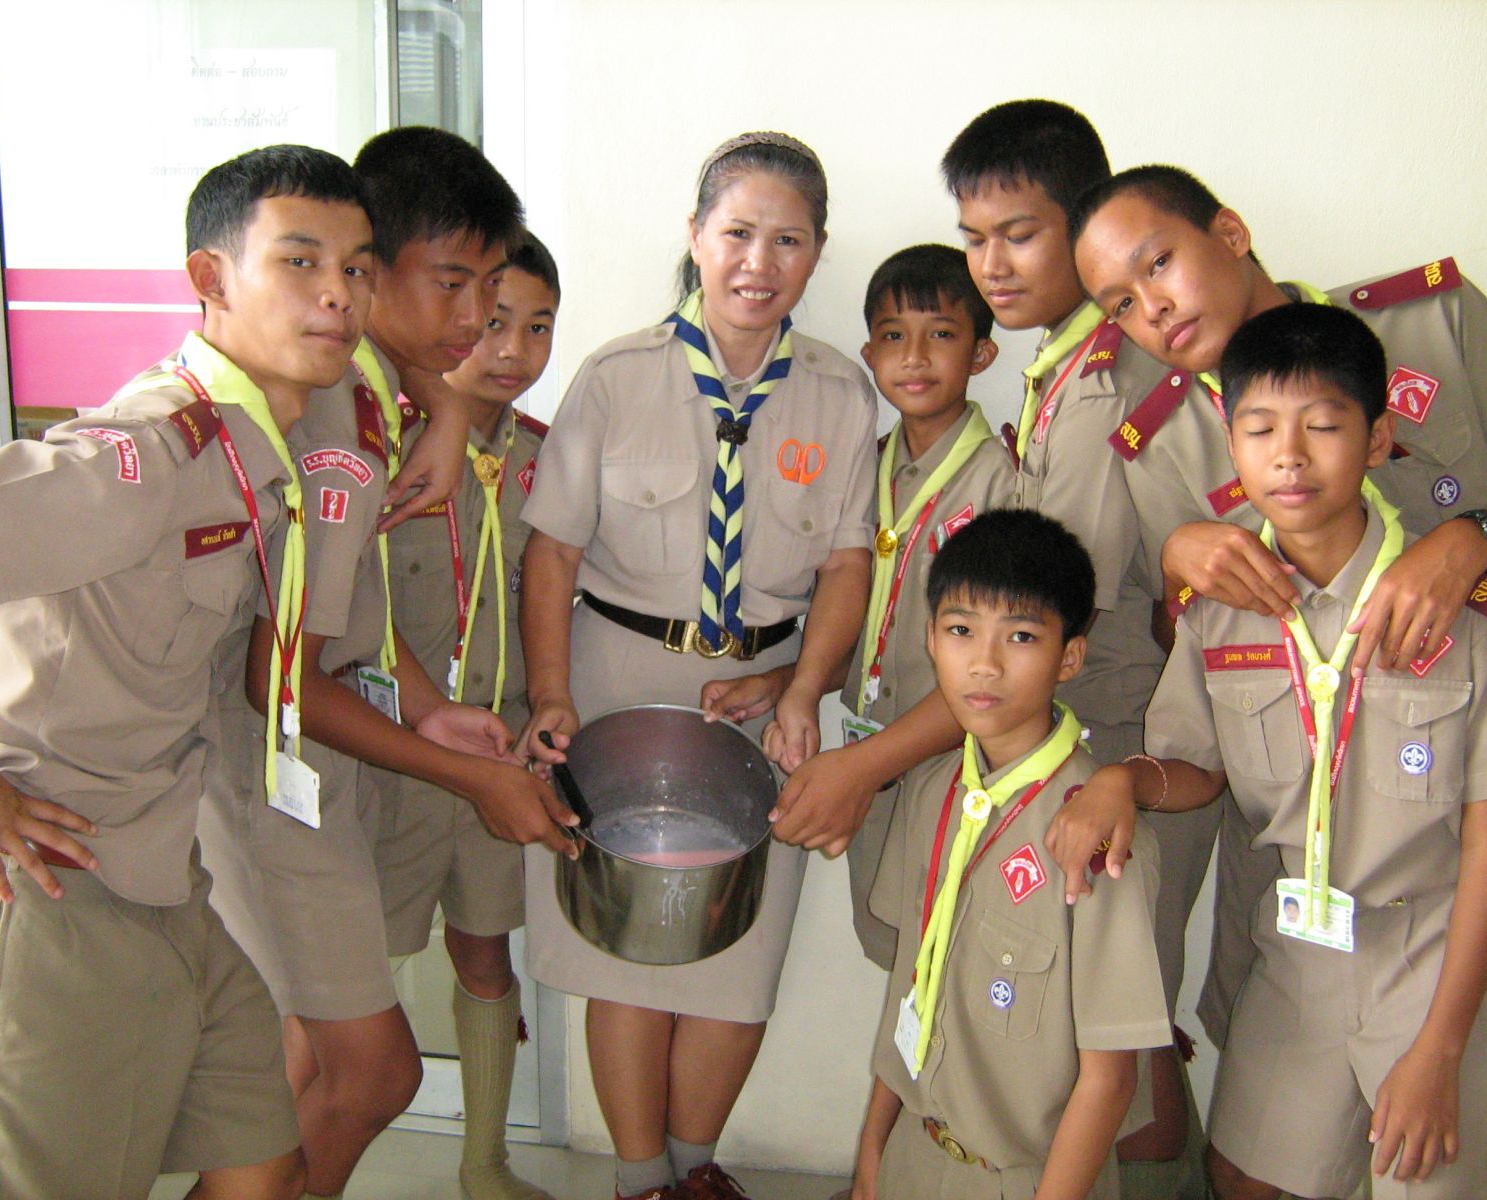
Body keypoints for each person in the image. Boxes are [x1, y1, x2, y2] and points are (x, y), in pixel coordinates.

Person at [771, 101, 1207, 1192]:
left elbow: (1045, 621)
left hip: (1102, 760)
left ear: (1086, 223)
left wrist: (863, 767)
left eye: (1018, 234)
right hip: (1030, 756)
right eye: (974, 238)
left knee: (1115, 1064)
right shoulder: (1059, 370)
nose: (992, 266)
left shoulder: (1110, 383)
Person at [1050, 303, 1487, 1198]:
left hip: (1440, 951)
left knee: (1434, 1182)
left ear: (1377, 441)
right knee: (1244, 1173)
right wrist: (1121, 783)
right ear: (1232, 447)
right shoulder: (1220, 610)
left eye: (1323, 427)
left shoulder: (1476, 614)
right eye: (1259, 430)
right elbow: (1196, 769)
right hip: (1303, 942)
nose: (1289, 456)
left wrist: (1441, 1050)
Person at [0, 142, 383, 1199]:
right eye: (300, 261)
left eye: (357, 268)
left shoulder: (262, 442)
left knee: (263, 1162)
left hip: (166, 877)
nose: (339, 294)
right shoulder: (148, 453)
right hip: (58, 882)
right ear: (211, 279)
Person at [197, 128, 573, 1200]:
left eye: (492, 290)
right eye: (455, 285)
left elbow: (346, 609)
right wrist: (468, 774)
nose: (475, 319)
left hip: (313, 760)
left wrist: (421, 704)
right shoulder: (342, 430)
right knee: (350, 1070)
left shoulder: (376, 393)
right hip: (271, 773)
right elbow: (282, 679)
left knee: (321, 1070)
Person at [517, 131, 876, 1200]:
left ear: (816, 253)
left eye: (788, 241)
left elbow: (848, 563)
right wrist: (551, 694)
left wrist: (804, 688)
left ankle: (693, 1172)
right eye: (737, 234)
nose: (759, 262)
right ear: (695, 236)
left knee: (738, 960)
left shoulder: (839, 393)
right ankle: (641, 1184)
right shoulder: (614, 377)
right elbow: (553, 551)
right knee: (625, 953)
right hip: (617, 680)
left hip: (767, 702)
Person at [853, 508, 1170, 1200]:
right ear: (931, 639)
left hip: (1029, 1181)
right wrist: (873, 1151)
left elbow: (1109, 1080)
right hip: (913, 1154)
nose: (985, 663)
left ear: (1070, 657)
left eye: (1021, 636)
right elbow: (911, 980)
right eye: (960, 630)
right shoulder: (931, 792)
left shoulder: (1097, 840)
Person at [370, 231, 562, 1200]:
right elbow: (346, 604)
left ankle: (485, 1164)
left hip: (501, 749)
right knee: (353, 970)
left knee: (486, 953)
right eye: (492, 322)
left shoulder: (548, 460)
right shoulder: (386, 443)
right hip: (389, 757)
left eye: (538, 327)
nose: (513, 349)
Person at [836, 242, 1008, 969]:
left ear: (982, 354)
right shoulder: (861, 470)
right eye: (893, 336)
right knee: (890, 950)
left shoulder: (1001, 481)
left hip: (960, 765)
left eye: (940, 334)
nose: (914, 356)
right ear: (869, 354)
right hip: (870, 755)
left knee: (954, 958)